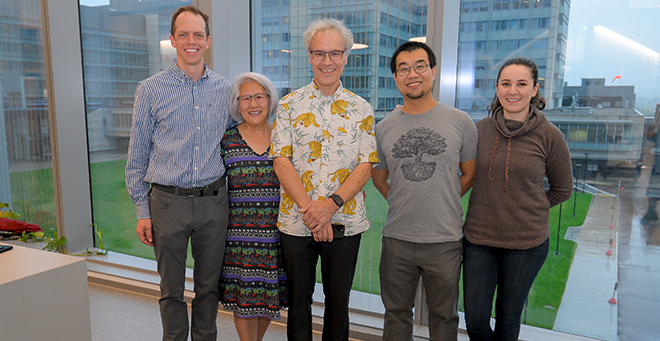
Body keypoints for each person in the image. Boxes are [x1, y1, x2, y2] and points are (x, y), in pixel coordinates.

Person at [125, 6, 232, 341]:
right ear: (172, 40)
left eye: (198, 34)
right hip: (167, 203)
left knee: (208, 289)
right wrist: (143, 211)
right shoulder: (150, 89)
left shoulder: (226, 91)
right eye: (183, 34)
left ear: (208, 40)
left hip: (214, 203)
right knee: (171, 290)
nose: (191, 41)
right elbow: (137, 156)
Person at [269, 18, 378, 341]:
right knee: (298, 302)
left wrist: (329, 207)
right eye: (319, 54)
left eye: (334, 54)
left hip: (345, 219)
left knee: (337, 302)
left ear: (346, 56)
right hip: (296, 219)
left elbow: (365, 165)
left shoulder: (362, 109)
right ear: (309, 56)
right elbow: (281, 160)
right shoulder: (289, 105)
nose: (327, 61)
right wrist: (311, 210)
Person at [372, 41, 478, 341]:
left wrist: (439, 200)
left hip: (444, 239)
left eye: (420, 66)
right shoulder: (384, 128)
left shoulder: (460, 122)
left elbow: (469, 174)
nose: (412, 74)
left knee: (445, 317)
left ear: (433, 71)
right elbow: (379, 179)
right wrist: (406, 201)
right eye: (403, 69)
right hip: (397, 240)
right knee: (395, 314)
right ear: (395, 78)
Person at [462, 57, 573, 341]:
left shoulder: (551, 136)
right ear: (497, 89)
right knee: (475, 321)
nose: (513, 91)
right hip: (478, 240)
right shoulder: (479, 130)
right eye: (506, 83)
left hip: (526, 244)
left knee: (508, 321)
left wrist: (528, 207)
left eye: (522, 84)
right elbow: (454, 163)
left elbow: (562, 189)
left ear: (534, 89)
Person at [218, 72, 287, 341]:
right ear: (237, 104)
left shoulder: (284, 137)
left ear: (270, 100)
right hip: (238, 238)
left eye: (259, 96)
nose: (253, 103)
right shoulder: (227, 140)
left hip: (277, 235)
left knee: (269, 297)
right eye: (245, 98)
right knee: (244, 301)